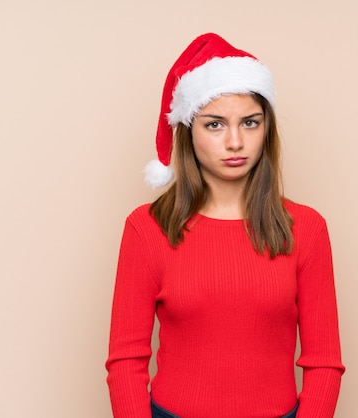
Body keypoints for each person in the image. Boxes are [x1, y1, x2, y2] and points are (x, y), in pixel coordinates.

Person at [105, 33, 345, 418]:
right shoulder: (146, 229)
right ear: (188, 131)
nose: (235, 141)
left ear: (267, 130)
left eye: (250, 122)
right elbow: (125, 363)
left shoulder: (307, 229)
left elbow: (324, 364)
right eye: (215, 125)